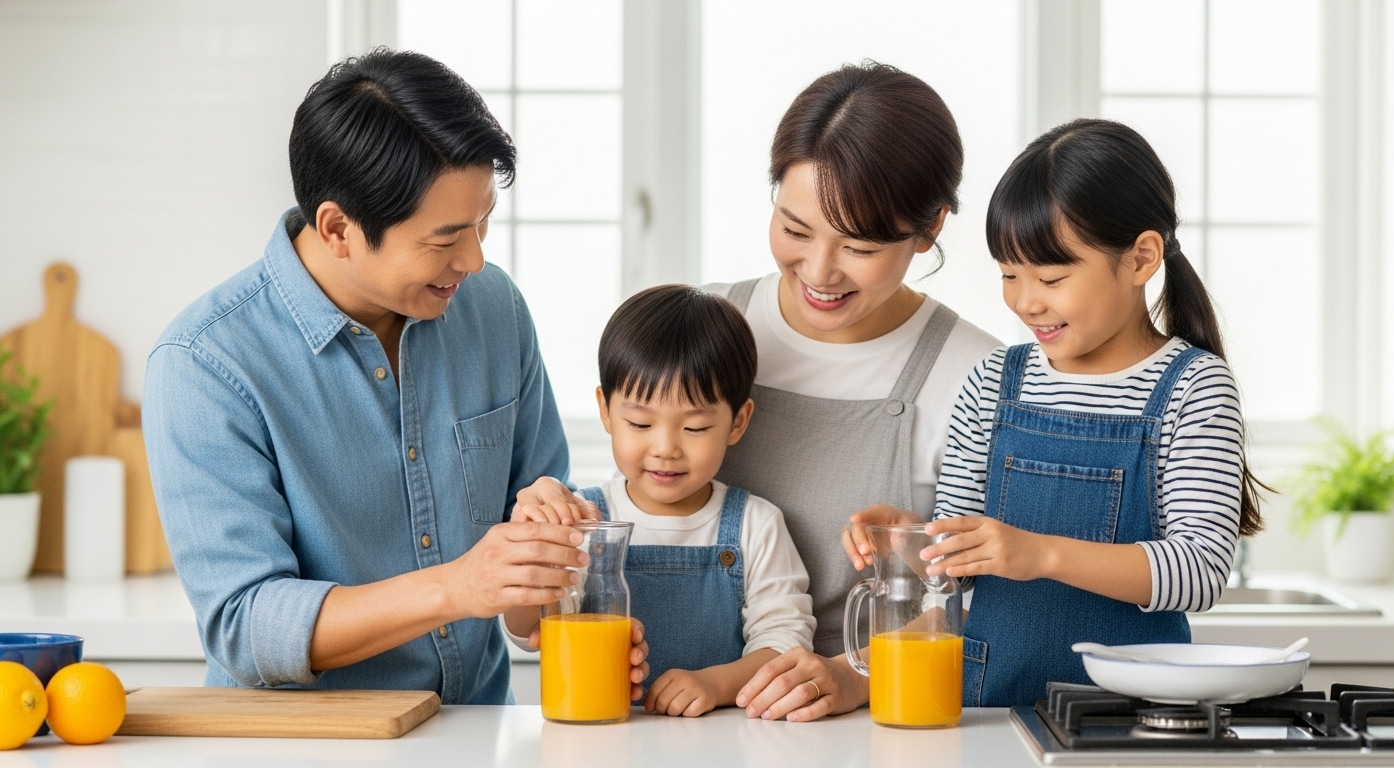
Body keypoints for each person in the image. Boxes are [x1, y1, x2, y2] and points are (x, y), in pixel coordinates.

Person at [143, 49, 647, 703]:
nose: (473, 259)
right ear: (338, 229)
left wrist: (553, 577)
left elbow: (529, 579)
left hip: (475, 737)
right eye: (444, 240)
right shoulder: (204, 365)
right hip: (305, 749)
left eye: (482, 224)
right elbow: (245, 626)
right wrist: (457, 587)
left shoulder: (494, 310)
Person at [518, 61, 1001, 722]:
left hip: (871, 716)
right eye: (795, 230)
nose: (820, 271)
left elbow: (981, 600)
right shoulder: (712, 324)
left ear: (930, 227)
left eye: (857, 246)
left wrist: (852, 675)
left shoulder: (974, 374)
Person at [845, 118, 1266, 706]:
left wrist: (1039, 553)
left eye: (1051, 276)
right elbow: (956, 571)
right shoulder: (993, 380)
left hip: (1134, 714)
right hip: (988, 706)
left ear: (1142, 258)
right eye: (1008, 275)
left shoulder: (1194, 387)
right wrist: (913, 540)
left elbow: (1197, 573)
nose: (1025, 300)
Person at [508, 285, 815, 718]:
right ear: (606, 411)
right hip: (598, 729)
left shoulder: (755, 524)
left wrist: (714, 684)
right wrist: (529, 553)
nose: (665, 448)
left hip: (721, 738)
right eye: (639, 422)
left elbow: (786, 645)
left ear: (738, 422)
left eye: (694, 429)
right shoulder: (583, 519)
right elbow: (526, 632)